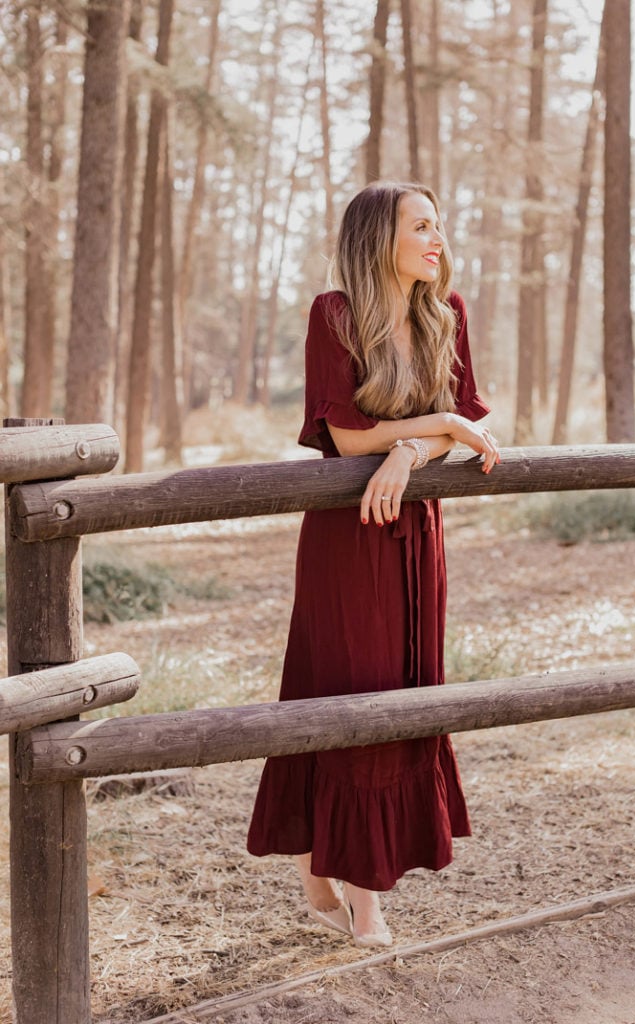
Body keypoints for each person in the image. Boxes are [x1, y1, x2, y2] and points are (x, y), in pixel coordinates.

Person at [247, 181, 499, 947]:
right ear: (375, 239)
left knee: (403, 687)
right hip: (346, 537)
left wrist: (414, 449)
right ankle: (358, 893)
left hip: (414, 530)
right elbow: (347, 436)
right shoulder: (336, 313)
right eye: (420, 225)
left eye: (438, 223)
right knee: (346, 688)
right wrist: (435, 425)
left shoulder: (444, 313)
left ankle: (335, 874)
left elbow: (464, 435)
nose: (437, 238)